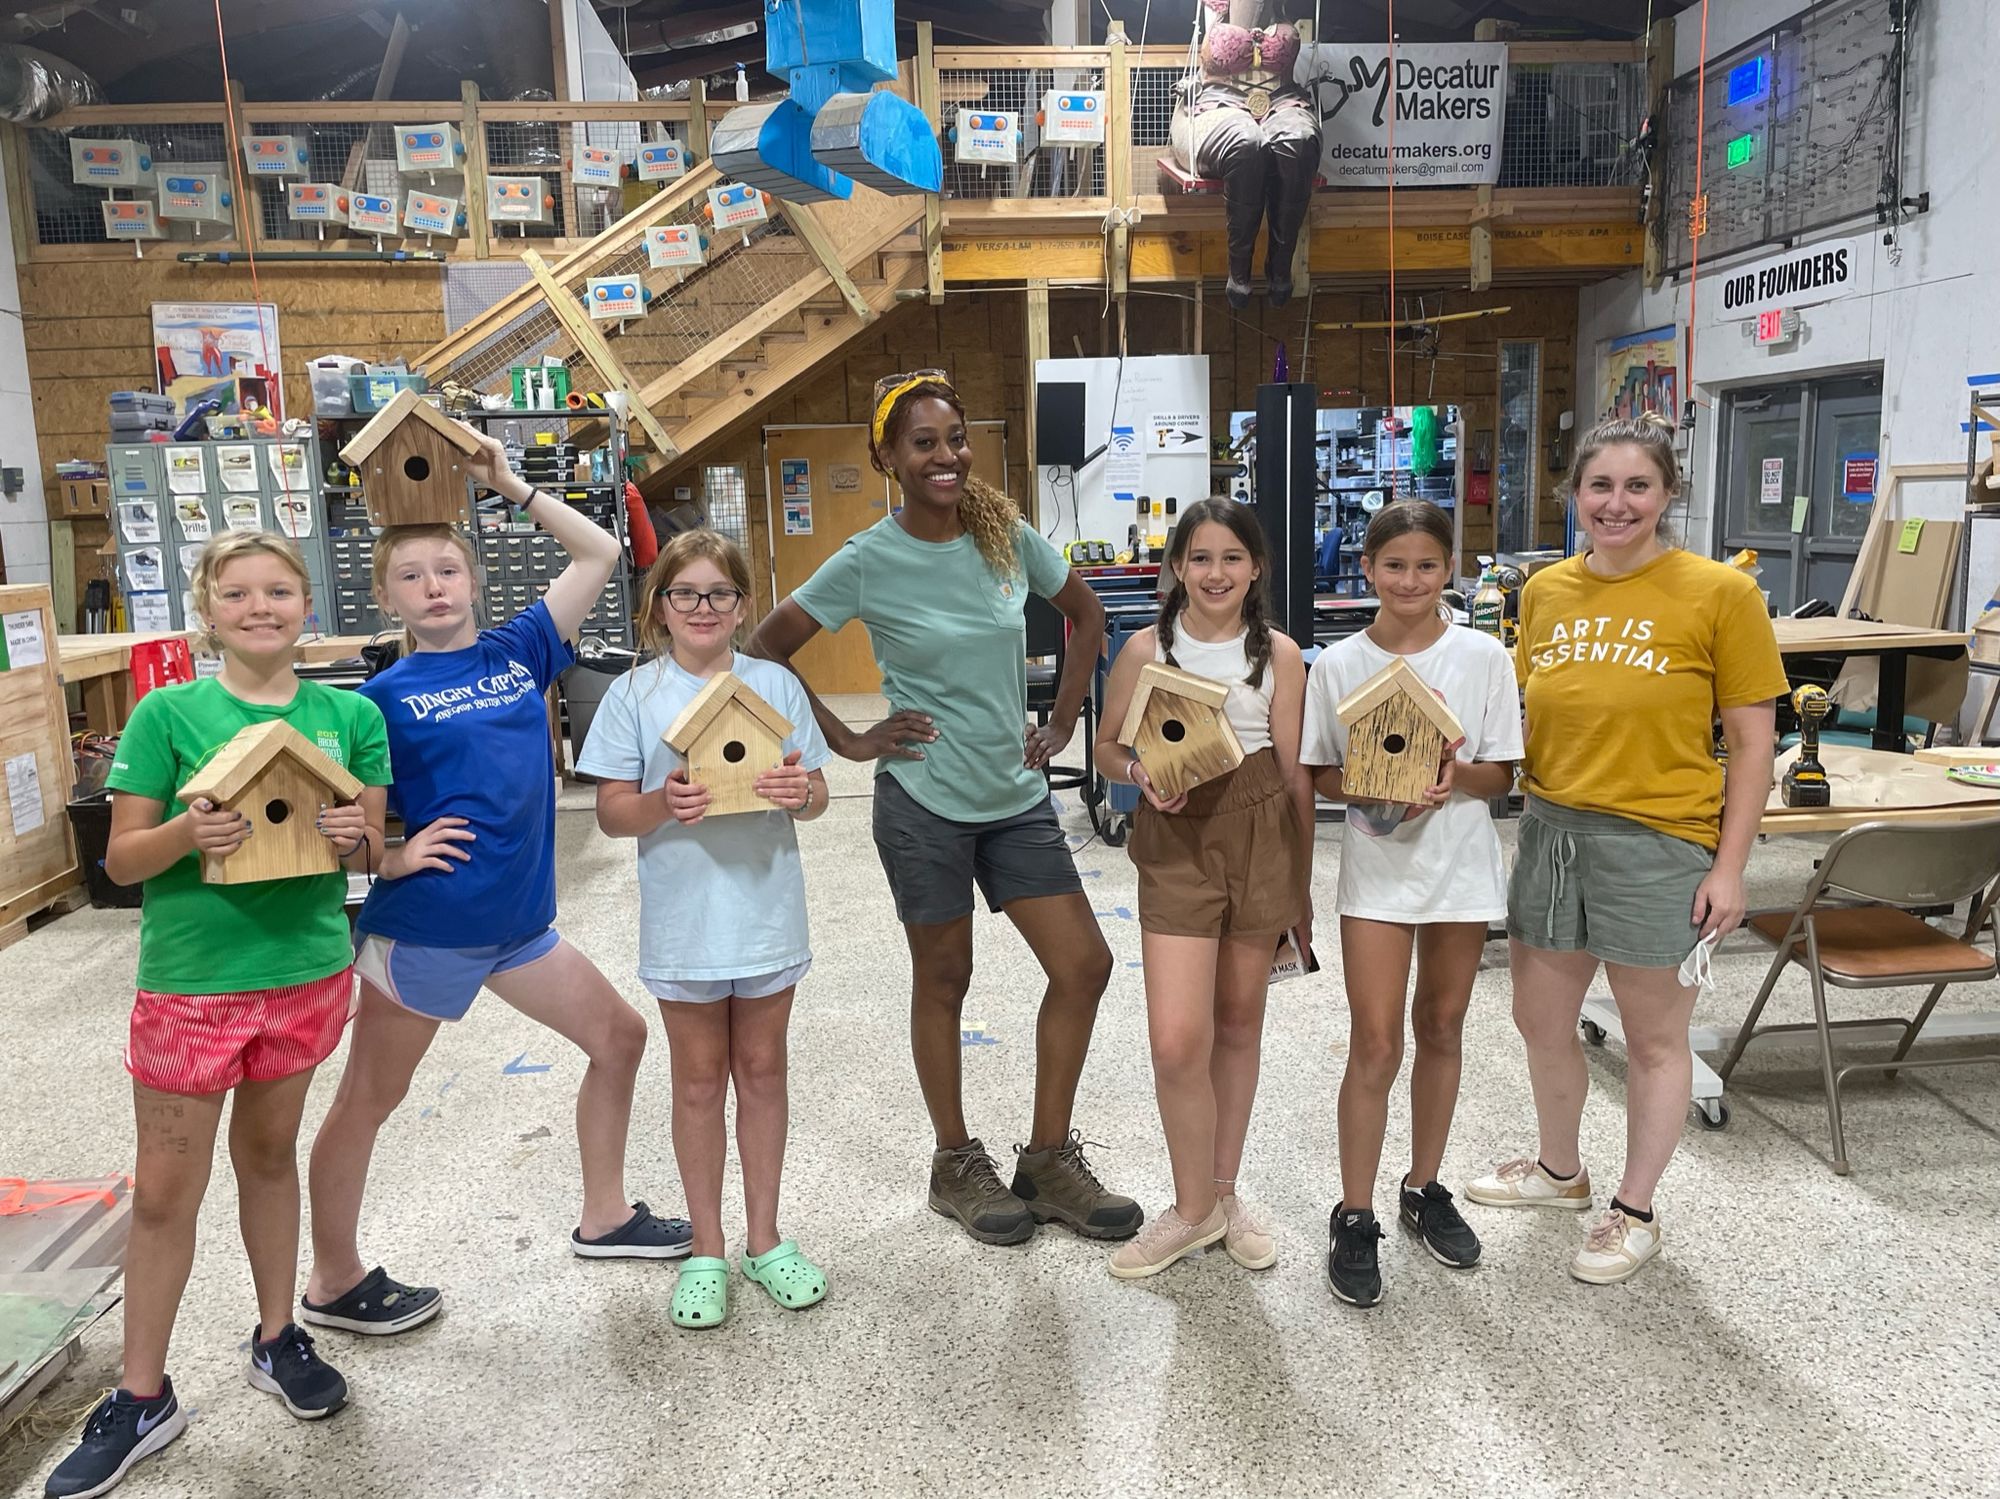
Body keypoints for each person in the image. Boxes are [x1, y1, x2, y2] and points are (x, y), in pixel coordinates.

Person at [304, 427, 690, 1338]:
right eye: (411, 576)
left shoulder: (520, 650)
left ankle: (605, 1217)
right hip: (428, 931)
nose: (434, 586)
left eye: (448, 569)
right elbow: (338, 827)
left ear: (475, 581)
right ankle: (331, 1280)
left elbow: (600, 552)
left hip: (520, 928)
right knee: (368, 1099)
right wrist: (391, 857)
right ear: (385, 597)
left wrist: (510, 484)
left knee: (620, 1037)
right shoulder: (378, 700)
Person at [748, 370, 1140, 1247]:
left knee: (1084, 964)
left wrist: (1063, 721)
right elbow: (765, 647)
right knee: (944, 976)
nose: (946, 456)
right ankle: (955, 1161)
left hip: (1014, 797)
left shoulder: (1005, 537)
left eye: (956, 439)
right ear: (888, 457)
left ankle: (1047, 1162)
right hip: (923, 800)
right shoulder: (866, 559)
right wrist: (849, 742)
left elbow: (1086, 615)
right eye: (924, 443)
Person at [47, 533, 388, 1498]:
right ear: (208, 611)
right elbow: (120, 859)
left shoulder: (349, 716)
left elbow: (369, 844)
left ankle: (278, 1337)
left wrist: (354, 834)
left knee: (270, 1158)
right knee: (165, 1190)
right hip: (192, 983)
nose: (259, 607)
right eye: (236, 593)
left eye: (278, 590)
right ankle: (141, 1394)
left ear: (305, 605)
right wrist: (187, 832)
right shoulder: (168, 713)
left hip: (306, 971)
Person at [1465, 414, 1785, 1284]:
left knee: (1653, 1039)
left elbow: (1752, 743)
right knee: (1540, 1021)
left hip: (1659, 841)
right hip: (1553, 831)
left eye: (1637, 485)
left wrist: (1730, 867)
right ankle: (1560, 1171)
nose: (1617, 503)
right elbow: (1528, 710)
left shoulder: (1721, 594)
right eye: (1599, 485)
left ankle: (1636, 1210)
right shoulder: (1544, 592)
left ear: (1668, 492)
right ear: (1574, 493)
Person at [578, 529, 830, 1328]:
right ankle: (707, 1248)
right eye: (684, 592)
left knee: (763, 1069)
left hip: (765, 912)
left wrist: (800, 792)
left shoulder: (774, 685)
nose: (703, 607)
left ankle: (765, 1238)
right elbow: (612, 811)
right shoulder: (635, 694)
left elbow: (818, 790)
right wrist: (664, 803)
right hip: (685, 921)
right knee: (696, 1080)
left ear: (742, 604)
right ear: (659, 606)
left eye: (719, 592)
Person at [1299, 501, 1522, 1307]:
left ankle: (1423, 1186)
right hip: (1379, 874)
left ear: (1448, 569)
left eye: (1427, 565)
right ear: (1367, 568)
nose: (1410, 580)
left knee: (1443, 1024)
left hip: (1458, 868)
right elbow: (1320, 771)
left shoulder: (1484, 656)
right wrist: (1372, 781)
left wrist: (1454, 776)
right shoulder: (1338, 665)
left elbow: (1502, 773)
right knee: (1375, 1040)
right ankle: (1354, 1212)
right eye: (1394, 565)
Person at [1094, 498, 1312, 1279]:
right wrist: (1137, 771)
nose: (1216, 573)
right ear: (1177, 567)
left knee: (1238, 1022)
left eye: (1232, 557)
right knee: (1177, 1038)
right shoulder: (1145, 649)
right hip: (1179, 837)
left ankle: (1223, 1192)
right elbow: (1106, 746)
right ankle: (1191, 1209)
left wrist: (1302, 885)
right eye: (1200, 557)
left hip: (1261, 835)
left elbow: (1294, 772)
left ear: (1256, 568)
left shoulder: (1280, 655)